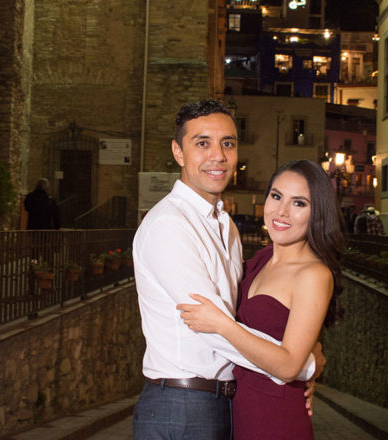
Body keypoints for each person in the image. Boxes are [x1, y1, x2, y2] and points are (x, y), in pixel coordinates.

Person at [132, 100, 322, 439]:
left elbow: (241, 317)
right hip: (181, 402)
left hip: (223, 401)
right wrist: (301, 365)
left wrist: (301, 352)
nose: (218, 155)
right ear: (178, 152)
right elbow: (213, 326)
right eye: (202, 143)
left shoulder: (226, 226)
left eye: (228, 144)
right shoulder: (169, 225)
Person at [178, 159, 344, 440]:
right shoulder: (261, 260)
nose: (281, 211)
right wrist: (311, 362)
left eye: (299, 203)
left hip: (277, 420)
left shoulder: (313, 274)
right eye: (276, 196)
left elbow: (289, 366)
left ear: (318, 213)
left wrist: (223, 325)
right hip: (239, 411)